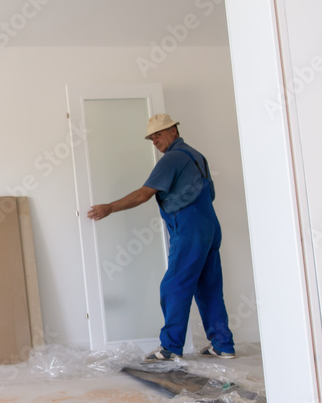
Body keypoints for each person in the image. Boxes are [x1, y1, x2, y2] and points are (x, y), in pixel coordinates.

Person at [86, 114, 235, 362]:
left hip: (190, 228)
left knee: (174, 285)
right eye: (152, 137)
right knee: (208, 286)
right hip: (210, 225)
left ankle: (170, 348)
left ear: (174, 131)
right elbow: (210, 194)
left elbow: (144, 194)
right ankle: (223, 345)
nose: (155, 140)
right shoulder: (197, 155)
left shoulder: (172, 159)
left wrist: (110, 207)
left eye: (159, 133)